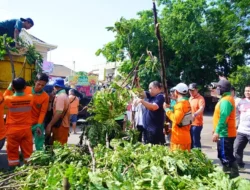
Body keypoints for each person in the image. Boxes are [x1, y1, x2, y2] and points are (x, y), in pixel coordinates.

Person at [4, 73, 50, 150]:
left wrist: (39, 125)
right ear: (35, 81)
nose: (40, 87)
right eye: (39, 84)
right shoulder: (25, 89)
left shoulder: (45, 96)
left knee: (39, 144)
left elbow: (43, 112)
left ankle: (40, 159)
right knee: (25, 145)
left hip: (37, 124)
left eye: (43, 85)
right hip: (25, 124)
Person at [4, 78, 33, 167]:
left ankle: (14, 170)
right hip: (26, 130)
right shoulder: (30, 98)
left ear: (13, 87)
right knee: (28, 152)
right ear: (25, 87)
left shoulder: (9, 99)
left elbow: (4, 96)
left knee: (12, 151)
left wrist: (9, 88)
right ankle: (28, 169)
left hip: (13, 130)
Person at [212, 79, 239, 178]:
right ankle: (227, 174)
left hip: (225, 133)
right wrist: (215, 129)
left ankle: (233, 176)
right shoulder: (225, 99)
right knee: (224, 154)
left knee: (226, 155)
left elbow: (223, 118)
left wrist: (217, 132)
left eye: (218, 88)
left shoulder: (226, 100)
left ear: (222, 89)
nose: (216, 89)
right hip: (224, 133)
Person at [164, 83, 192, 151]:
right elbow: (182, 123)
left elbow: (176, 119)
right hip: (185, 137)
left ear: (176, 92)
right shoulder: (186, 102)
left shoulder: (180, 105)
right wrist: (171, 130)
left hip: (179, 140)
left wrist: (166, 110)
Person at [45, 78, 70, 145]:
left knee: (59, 149)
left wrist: (50, 125)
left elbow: (59, 112)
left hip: (61, 126)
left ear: (56, 86)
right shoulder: (64, 95)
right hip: (62, 125)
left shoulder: (60, 97)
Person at [234, 85, 250, 170]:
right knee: (237, 149)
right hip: (241, 130)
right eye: (246, 91)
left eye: (249, 91)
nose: (247, 92)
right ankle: (240, 165)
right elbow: (235, 113)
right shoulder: (240, 102)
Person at [188, 83, 205, 149]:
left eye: (193, 90)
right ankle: (191, 158)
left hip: (197, 124)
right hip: (189, 123)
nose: (191, 92)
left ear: (197, 90)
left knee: (196, 142)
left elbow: (201, 108)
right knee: (190, 142)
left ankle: (198, 158)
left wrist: (194, 114)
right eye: (190, 91)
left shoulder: (200, 98)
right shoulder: (190, 98)